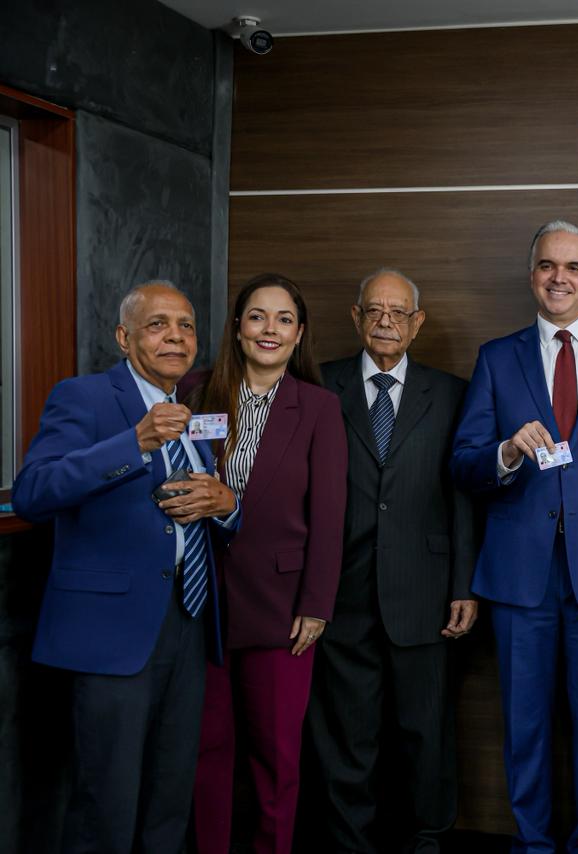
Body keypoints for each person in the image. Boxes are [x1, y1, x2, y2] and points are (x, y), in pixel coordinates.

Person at [451, 221, 578, 854]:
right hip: (521, 574)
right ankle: (533, 844)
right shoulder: (497, 357)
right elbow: (463, 463)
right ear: (531, 275)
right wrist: (507, 452)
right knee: (525, 726)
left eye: (572, 267)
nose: (559, 278)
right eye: (547, 265)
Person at [12, 281, 238, 854]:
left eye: (186, 326)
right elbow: (34, 493)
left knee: (170, 799)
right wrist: (133, 443)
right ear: (124, 337)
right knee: (106, 806)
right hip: (112, 632)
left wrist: (227, 505)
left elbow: (199, 508)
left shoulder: (192, 411)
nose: (175, 337)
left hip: (187, 622)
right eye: (158, 324)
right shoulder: (83, 397)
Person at [306, 268, 478, 853]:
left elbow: (463, 496)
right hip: (340, 592)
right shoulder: (318, 385)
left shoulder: (451, 393)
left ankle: (426, 841)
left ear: (417, 322)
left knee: (426, 733)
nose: (386, 321)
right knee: (345, 736)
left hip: (425, 592)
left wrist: (464, 584)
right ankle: (349, 843)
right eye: (374, 310)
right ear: (356, 317)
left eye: (398, 311)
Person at [184, 273, 347, 854]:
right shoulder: (196, 392)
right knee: (207, 750)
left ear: (299, 334)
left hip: (282, 610)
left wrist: (316, 605)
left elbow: (329, 513)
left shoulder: (319, 407)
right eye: (257, 316)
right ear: (237, 327)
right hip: (200, 603)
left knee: (275, 758)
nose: (269, 329)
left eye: (283, 319)